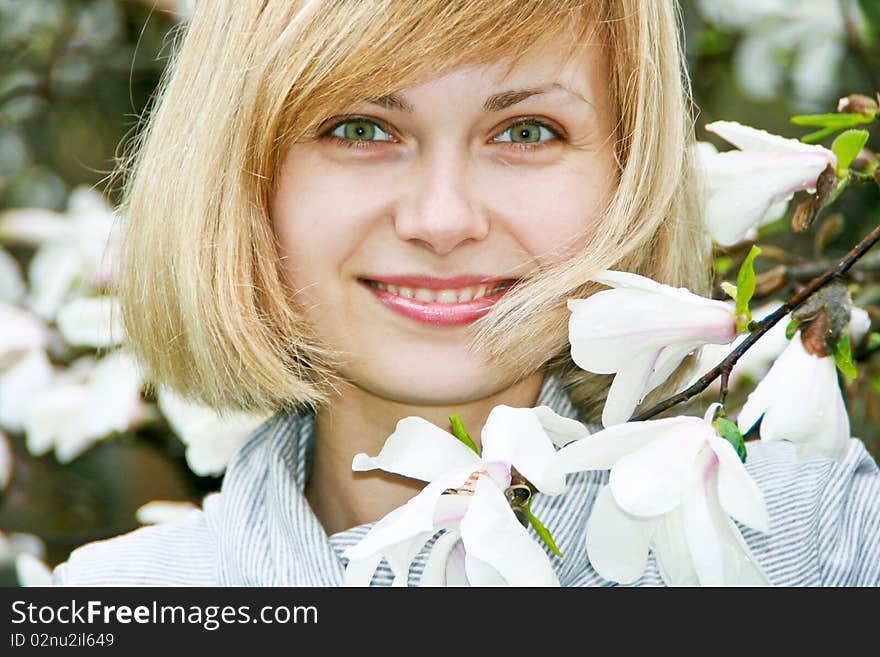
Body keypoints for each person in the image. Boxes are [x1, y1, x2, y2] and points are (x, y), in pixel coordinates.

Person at [51, 0, 879, 587]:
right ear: (243, 179)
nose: (442, 220)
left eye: (525, 132)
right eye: (361, 128)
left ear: (629, 174)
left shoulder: (818, 543)